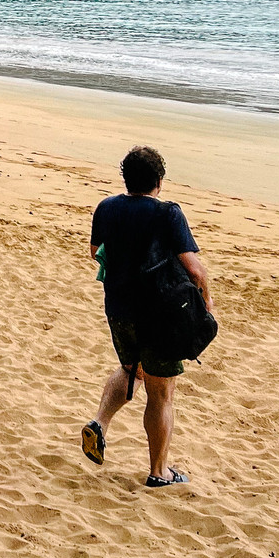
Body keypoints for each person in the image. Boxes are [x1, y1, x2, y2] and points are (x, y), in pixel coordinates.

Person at [80, 145, 213, 488]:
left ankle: (99, 423)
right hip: (160, 315)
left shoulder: (106, 207)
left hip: (120, 309)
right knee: (161, 393)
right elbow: (195, 270)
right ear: (159, 181)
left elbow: (97, 251)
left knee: (131, 370)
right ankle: (159, 471)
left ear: (126, 178)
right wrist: (207, 306)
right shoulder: (168, 213)